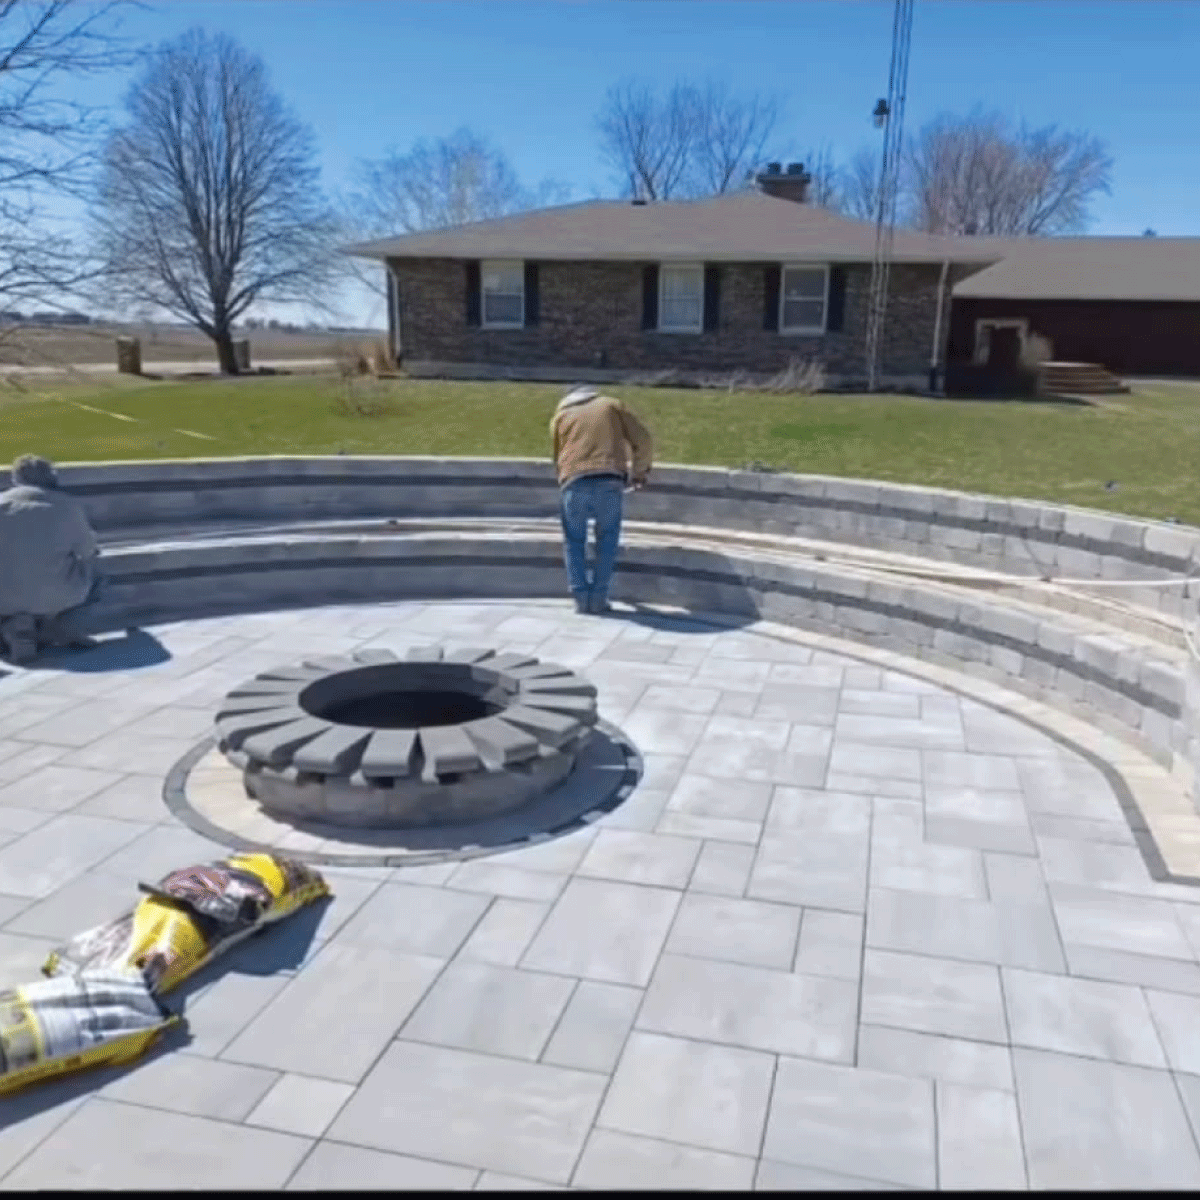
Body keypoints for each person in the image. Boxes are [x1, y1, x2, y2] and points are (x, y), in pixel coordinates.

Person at [550, 385, 654, 615]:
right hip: (608, 479)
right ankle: (598, 598)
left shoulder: (561, 416)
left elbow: (557, 456)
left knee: (573, 541)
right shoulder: (610, 405)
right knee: (607, 540)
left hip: (573, 482)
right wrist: (639, 472)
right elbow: (643, 439)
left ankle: (580, 598)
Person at [0, 455, 102, 663]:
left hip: (4, 598)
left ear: (16, 479)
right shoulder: (68, 506)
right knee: (99, 575)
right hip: (59, 595)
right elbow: (89, 551)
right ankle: (64, 626)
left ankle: (20, 630)